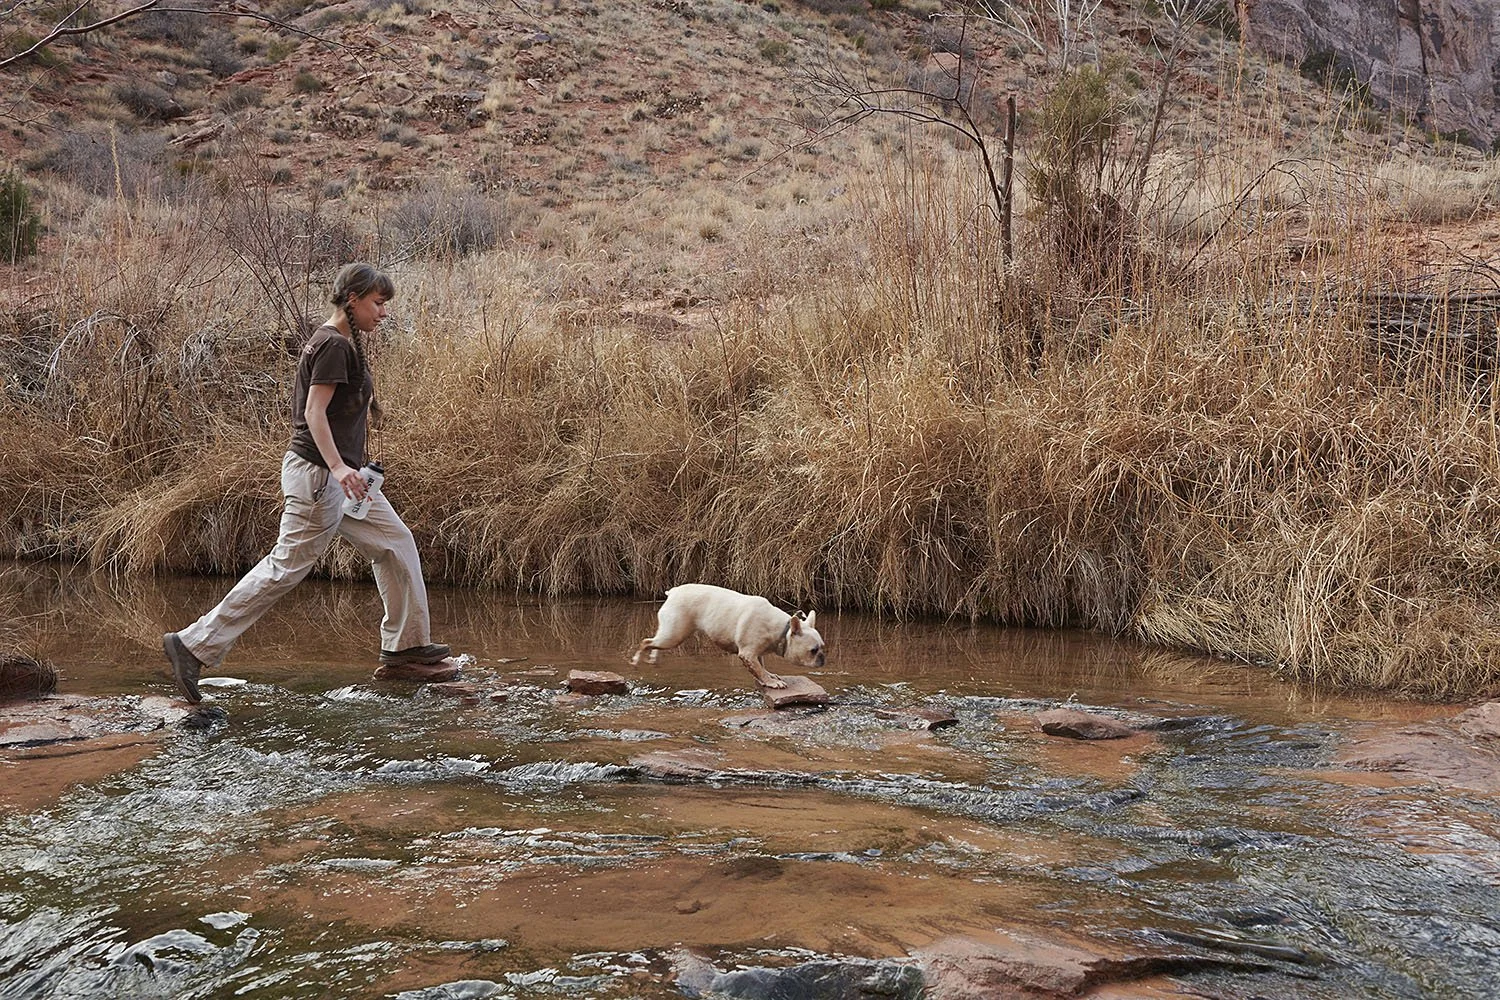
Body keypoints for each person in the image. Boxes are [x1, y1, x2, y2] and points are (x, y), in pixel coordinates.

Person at [162, 262, 449, 703]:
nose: (383, 313)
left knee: (395, 543)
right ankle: (194, 644)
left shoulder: (341, 342)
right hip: (320, 478)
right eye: (378, 303)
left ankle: (406, 647)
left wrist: (352, 463)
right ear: (352, 299)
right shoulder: (333, 345)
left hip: (346, 483)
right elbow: (314, 414)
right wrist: (338, 468)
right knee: (285, 567)